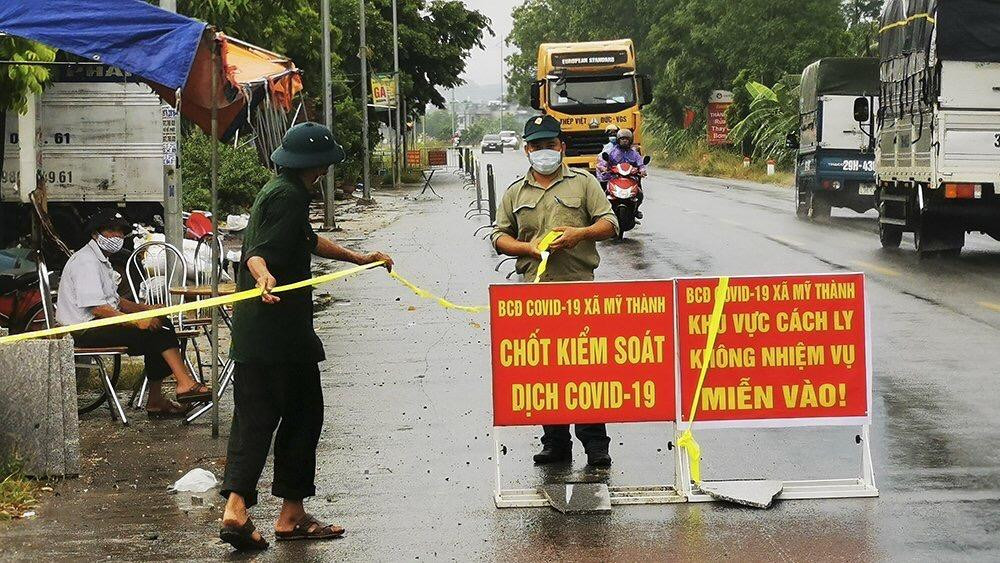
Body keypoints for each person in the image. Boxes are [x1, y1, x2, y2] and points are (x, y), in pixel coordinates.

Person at [219, 122, 394, 551]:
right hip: (279, 333)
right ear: (315, 165)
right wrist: (262, 278)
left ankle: (252, 509)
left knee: (262, 418)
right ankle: (272, 512)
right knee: (299, 416)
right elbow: (255, 251)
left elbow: (308, 241)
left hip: (259, 333)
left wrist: (358, 258)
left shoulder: (275, 190)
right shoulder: (289, 196)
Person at [491, 115, 619, 468]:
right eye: (537, 146)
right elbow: (499, 237)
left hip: (579, 292)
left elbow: (610, 223)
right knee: (545, 370)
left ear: (561, 146)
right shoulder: (515, 192)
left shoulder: (584, 183)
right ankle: (555, 442)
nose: (544, 151)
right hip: (535, 296)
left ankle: (596, 444)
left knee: (585, 369)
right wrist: (527, 249)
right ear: (526, 149)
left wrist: (580, 234)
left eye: (550, 145)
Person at [57, 210, 212, 417]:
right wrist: (136, 321)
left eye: (120, 233)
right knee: (159, 331)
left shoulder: (101, 260)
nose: (117, 237)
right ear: (96, 233)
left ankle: (157, 399)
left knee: (160, 322)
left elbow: (115, 301)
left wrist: (147, 310)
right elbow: (98, 308)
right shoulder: (86, 261)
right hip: (85, 329)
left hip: (98, 322)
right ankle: (183, 384)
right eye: (111, 231)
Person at [597, 128, 648, 218]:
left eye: (627, 139)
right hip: (615, 177)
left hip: (631, 177)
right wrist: (603, 168)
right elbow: (604, 162)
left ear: (630, 140)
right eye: (622, 139)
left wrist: (642, 170)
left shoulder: (634, 153)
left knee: (639, 193)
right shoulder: (612, 152)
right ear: (618, 140)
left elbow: (640, 164)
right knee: (604, 192)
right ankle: (605, 211)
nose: (624, 141)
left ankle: (635, 210)